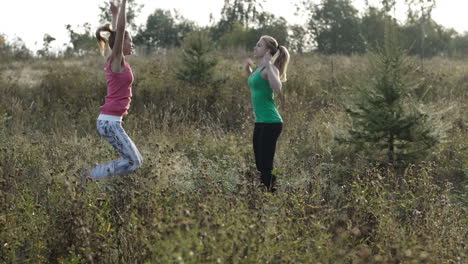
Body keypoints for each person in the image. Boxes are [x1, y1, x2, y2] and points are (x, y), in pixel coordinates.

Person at [83, 0, 142, 182]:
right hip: (109, 123)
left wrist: (115, 14)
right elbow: (121, 31)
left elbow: (117, 33)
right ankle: (89, 176)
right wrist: (124, 4)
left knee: (135, 161)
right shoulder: (117, 59)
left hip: (110, 122)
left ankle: (97, 178)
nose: (132, 44)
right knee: (134, 162)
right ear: (120, 44)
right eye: (129, 41)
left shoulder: (114, 59)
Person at [244, 35, 290, 192]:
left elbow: (277, 87)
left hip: (271, 122)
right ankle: (266, 192)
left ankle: (272, 194)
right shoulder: (259, 70)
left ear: (268, 51)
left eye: (259, 45)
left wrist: (269, 65)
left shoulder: (270, 69)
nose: (255, 48)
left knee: (266, 163)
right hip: (261, 122)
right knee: (259, 162)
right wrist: (248, 69)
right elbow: (254, 83)